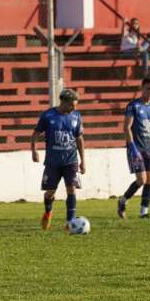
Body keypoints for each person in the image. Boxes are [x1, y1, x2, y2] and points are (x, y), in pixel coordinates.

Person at [31, 89, 86, 231]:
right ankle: (48, 212)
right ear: (63, 102)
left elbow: (79, 138)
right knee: (50, 192)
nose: (74, 108)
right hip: (53, 162)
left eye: (76, 105)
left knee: (71, 189)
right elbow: (36, 133)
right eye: (72, 105)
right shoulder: (48, 115)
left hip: (71, 160)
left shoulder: (76, 116)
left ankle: (70, 222)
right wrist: (34, 151)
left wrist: (83, 160)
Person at [117, 77, 150, 219]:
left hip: (148, 148)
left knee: (149, 179)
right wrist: (132, 147)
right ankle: (123, 201)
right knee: (141, 180)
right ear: (141, 89)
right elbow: (126, 128)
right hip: (136, 148)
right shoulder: (133, 106)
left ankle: (143, 211)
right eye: (147, 88)